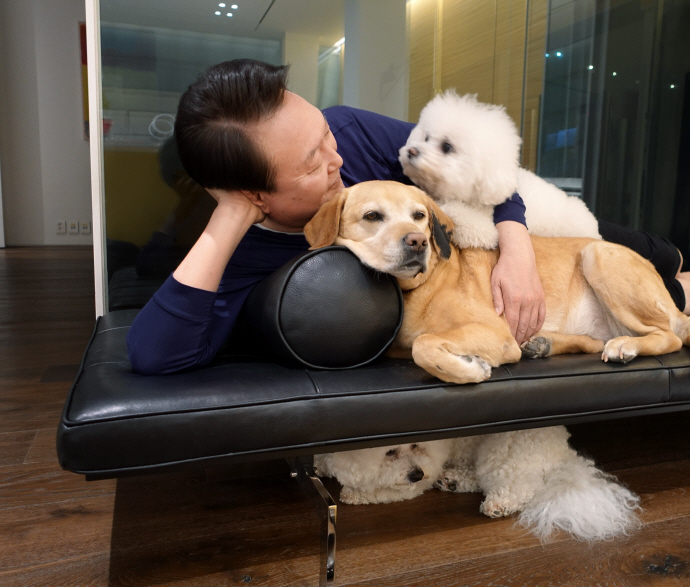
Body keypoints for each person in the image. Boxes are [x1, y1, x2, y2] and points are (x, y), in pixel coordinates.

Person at [127, 59, 689, 375]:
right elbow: (154, 354)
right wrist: (228, 222)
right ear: (255, 195)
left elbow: (489, 174)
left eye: (325, 136)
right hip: (476, 254)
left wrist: (516, 253)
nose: (339, 160)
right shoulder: (244, 245)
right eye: (312, 162)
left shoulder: (350, 130)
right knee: (669, 288)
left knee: (650, 253)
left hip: (514, 215)